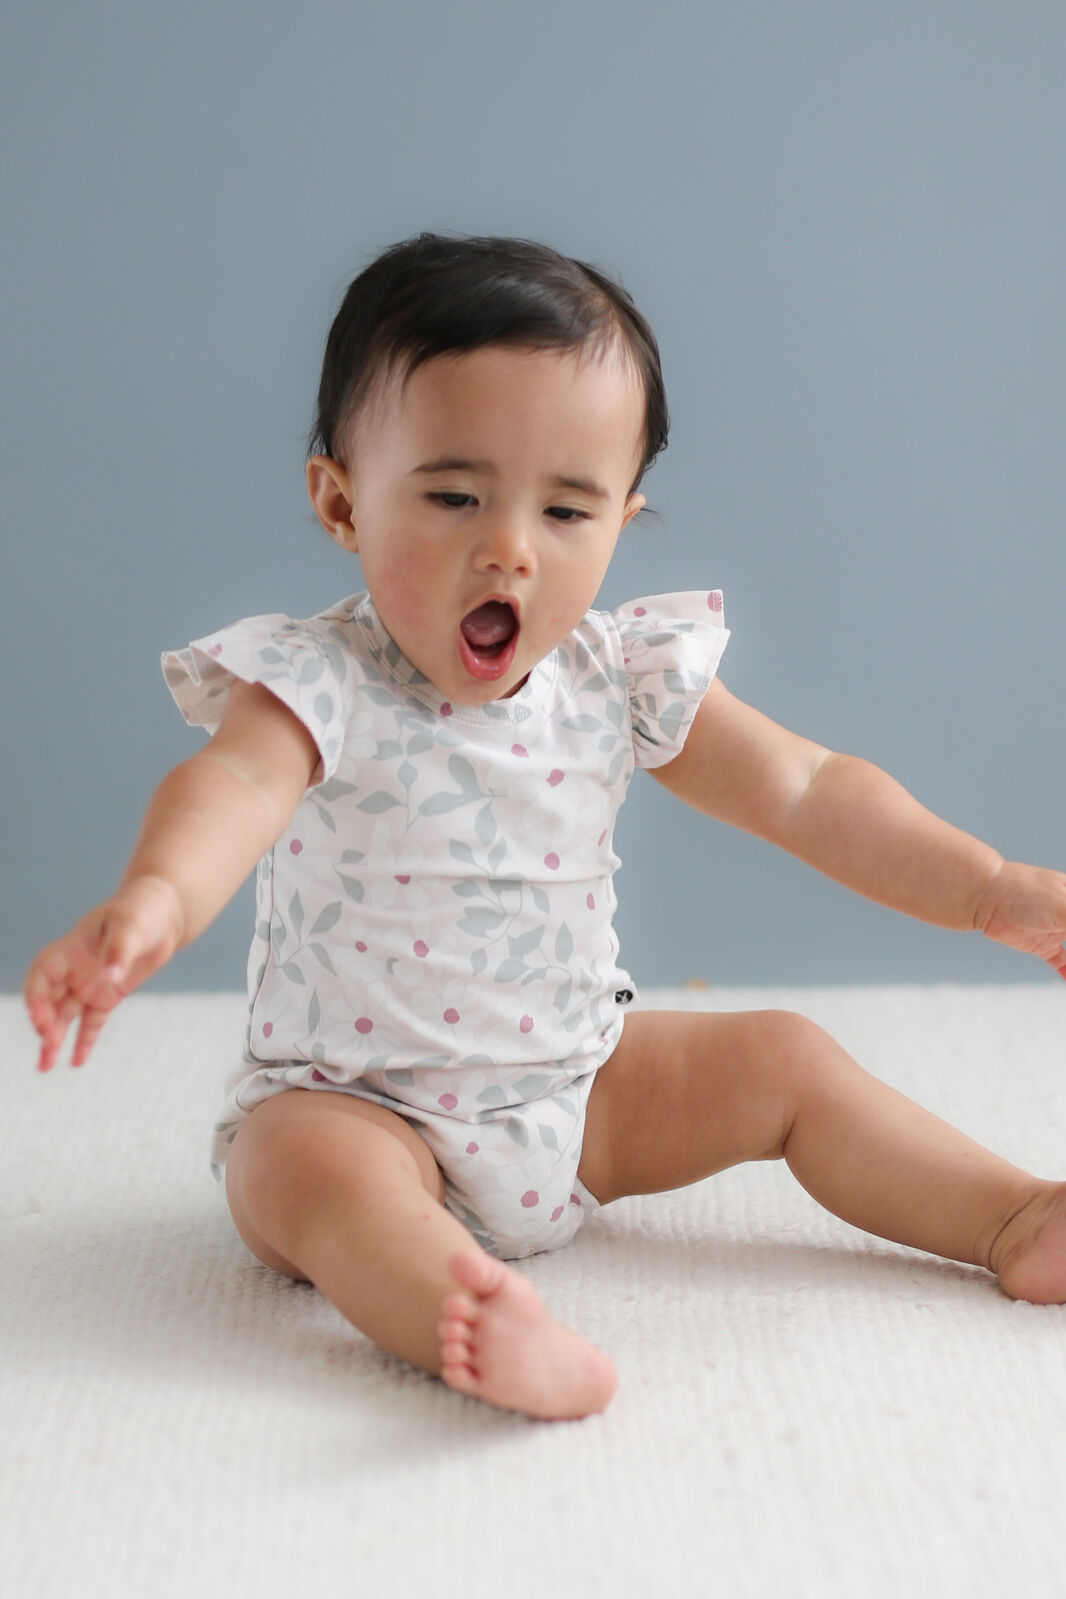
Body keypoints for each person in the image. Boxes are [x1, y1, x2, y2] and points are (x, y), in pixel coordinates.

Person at [23, 232, 1066, 1423]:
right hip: (364, 1105)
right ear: (339, 499)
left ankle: (1013, 1216)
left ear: (625, 515)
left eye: (567, 507)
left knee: (786, 1061)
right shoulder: (317, 679)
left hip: (580, 1095)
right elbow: (234, 794)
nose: (509, 545)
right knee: (296, 1170)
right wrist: (153, 901)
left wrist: (986, 887)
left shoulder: (616, 672)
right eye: (455, 494)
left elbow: (808, 789)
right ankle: (460, 1311)